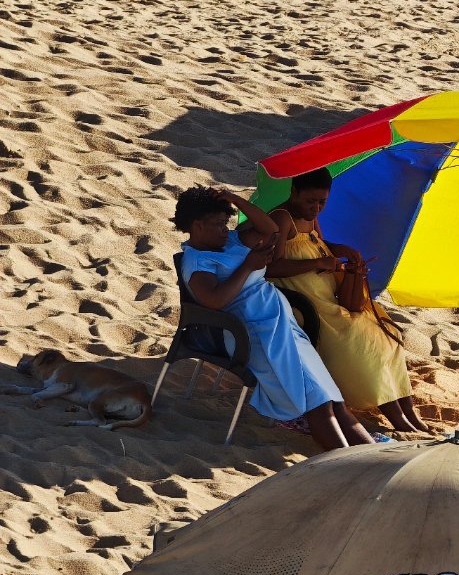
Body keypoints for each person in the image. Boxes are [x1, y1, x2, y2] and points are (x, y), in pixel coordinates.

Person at [174, 186, 370, 451]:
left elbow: (271, 231)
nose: (225, 229)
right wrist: (247, 266)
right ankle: (347, 462)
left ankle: (374, 459)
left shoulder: (230, 241)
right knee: (318, 404)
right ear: (197, 226)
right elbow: (215, 301)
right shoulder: (198, 262)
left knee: (334, 400)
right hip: (253, 334)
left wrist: (237, 200)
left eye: (226, 222)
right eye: (219, 224)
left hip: (281, 326)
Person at [267, 168, 428, 435]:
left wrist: (342, 250)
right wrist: (318, 262)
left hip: (328, 295)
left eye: (322, 202)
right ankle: (398, 420)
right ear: (294, 192)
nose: (316, 208)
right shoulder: (282, 219)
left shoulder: (311, 218)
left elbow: (318, 241)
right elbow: (271, 267)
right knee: (359, 341)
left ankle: (409, 414)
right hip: (307, 302)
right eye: (310, 201)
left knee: (385, 335)